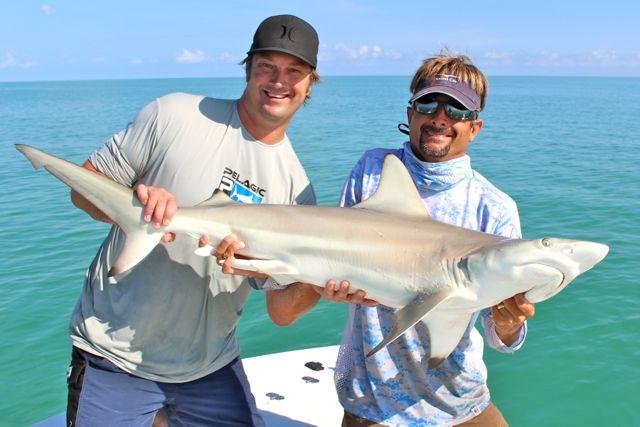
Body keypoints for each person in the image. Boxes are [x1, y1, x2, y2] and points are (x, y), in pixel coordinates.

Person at [65, 14, 322, 427]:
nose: (279, 81)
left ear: (311, 83)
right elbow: (83, 190)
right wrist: (137, 204)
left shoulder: (296, 192)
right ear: (248, 68)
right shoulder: (174, 115)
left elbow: (281, 310)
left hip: (209, 366)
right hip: (115, 356)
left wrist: (317, 278)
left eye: (294, 71)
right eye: (267, 67)